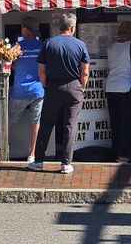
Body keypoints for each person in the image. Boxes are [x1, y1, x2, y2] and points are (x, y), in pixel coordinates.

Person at [28, 12, 90, 174]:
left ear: (60, 27)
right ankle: (66, 163)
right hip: (74, 87)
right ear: (72, 28)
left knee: (47, 124)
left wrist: (46, 85)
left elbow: (41, 69)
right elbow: (85, 71)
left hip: (53, 87)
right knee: (70, 125)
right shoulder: (80, 45)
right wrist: (82, 87)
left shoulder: (49, 44)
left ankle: (39, 161)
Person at [105, 21, 131, 162]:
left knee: (115, 123)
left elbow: (110, 67)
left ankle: (115, 153)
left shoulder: (111, 47)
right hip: (125, 88)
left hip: (110, 88)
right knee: (126, 123)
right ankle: (123, 155)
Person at [9, 16, 45, 164]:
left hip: (20, 90)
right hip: (38, 90)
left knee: (10, 120)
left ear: (25, 29)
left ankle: (3, 149)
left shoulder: (17, 46)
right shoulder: (42, 45)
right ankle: (32, 154)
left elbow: (10, 66)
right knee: (36, 122)